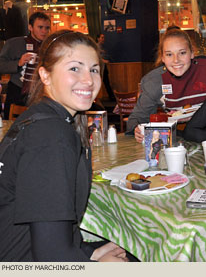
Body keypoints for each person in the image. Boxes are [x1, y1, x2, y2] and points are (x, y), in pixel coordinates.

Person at [0, 30, 129, 262]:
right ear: (45, 75)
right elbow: (51, 258)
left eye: (94, 69)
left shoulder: (41, 118)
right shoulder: (51, 136)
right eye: (74, 68)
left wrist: (89, 252)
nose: (89, 80)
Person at [126, 27, 206, 142]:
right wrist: (137, 129)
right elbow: (136, 119)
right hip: (179, 139)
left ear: (192, 53)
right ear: (162, 57)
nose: (176, 60)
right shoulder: (155, 81)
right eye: (169, 55)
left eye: (182, 53)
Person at [0, 11, 51, 120]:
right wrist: (18, 63)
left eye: (47, 28)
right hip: (17, 92)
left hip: (42, 93)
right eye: (40, 27)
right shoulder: (14, 43)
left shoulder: (51, 47)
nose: (44, 31)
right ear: (30, 27)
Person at [96, 33, 115, 101]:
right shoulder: (96, 47)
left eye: (104, 37)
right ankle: (111, 97)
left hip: (104, 67)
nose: (103, 39)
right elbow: (96, 57)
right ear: (98, 38)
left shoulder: (103, 47)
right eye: (102, 37)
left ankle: (111, 97)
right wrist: (103, 60)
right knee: (101, 82)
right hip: (99, 68)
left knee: (106, 82)